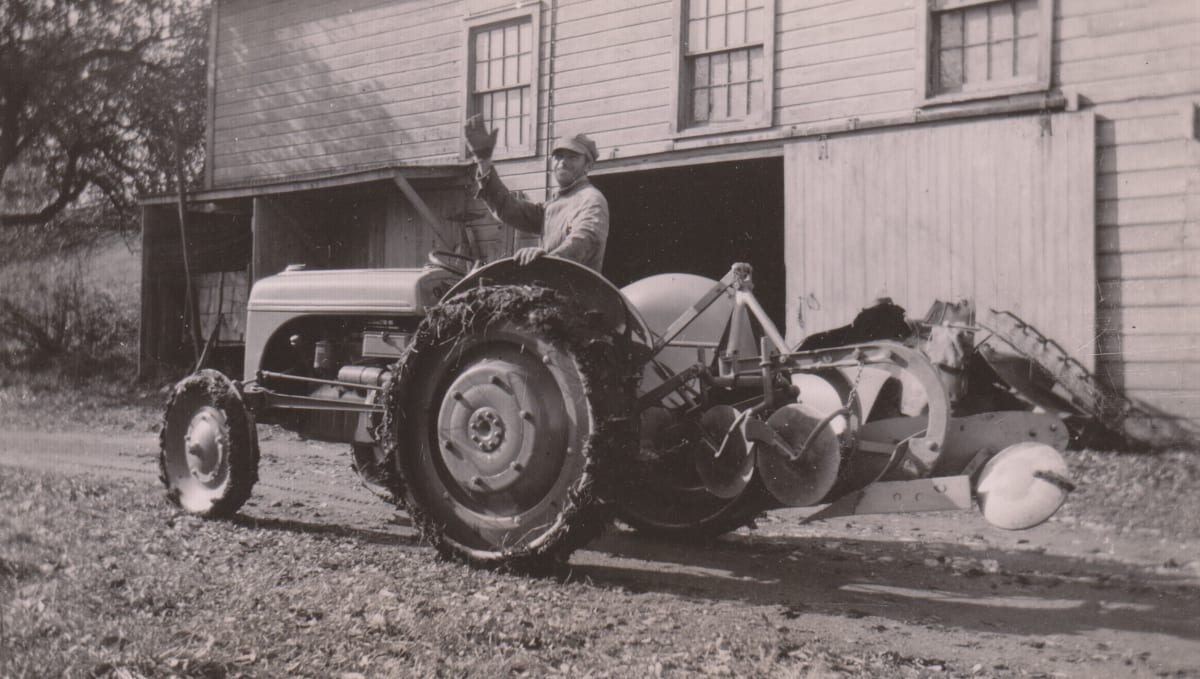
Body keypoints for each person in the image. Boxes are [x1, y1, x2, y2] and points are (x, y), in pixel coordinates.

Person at [463, 115, 609, 272]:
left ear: (588, 166)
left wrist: (549, 258)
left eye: (572, 157)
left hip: (576, 291)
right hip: (551, 283)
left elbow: (585, 238)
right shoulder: (554, 204)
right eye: (558, 156)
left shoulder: (590, 199)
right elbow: (509, 209)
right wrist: (483, 161)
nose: (563, 162)